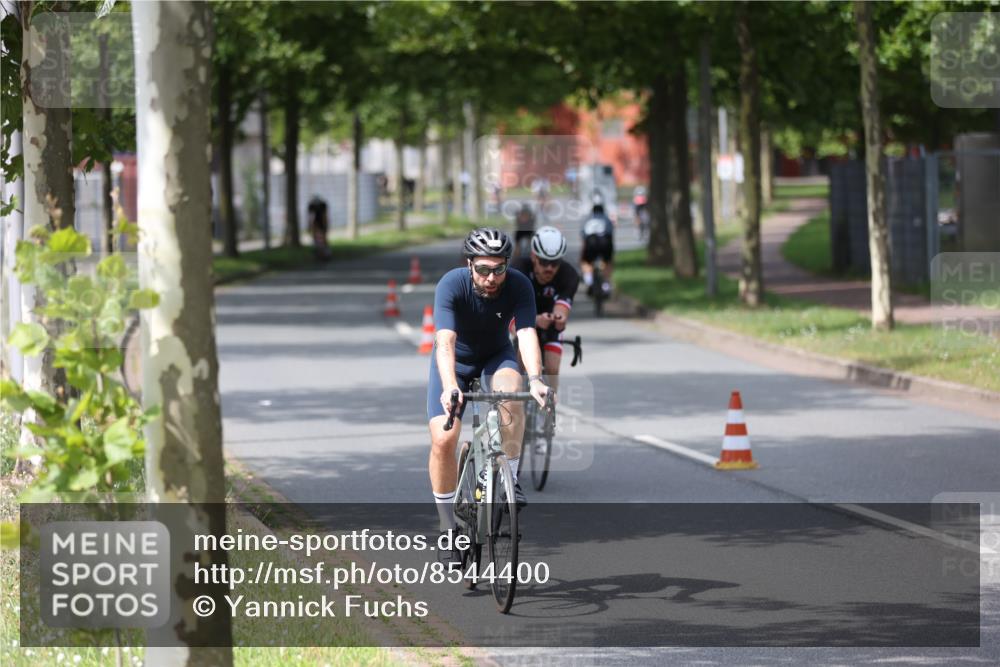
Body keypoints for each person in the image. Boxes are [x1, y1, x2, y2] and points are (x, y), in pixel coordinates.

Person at [427, 228, 551, 563]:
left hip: (497, 355)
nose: (491, 278)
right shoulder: (452, 284)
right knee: (444, 437)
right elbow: (445, 341)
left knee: (513, 395)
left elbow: (525, 332)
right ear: (469, 265)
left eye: (499, 269)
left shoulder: (519, 285)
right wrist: (451, 385)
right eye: (483, 270)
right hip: (456, 362)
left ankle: (509, 480)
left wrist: (537, 379)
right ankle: (447, 528)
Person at [512, 226, 579, 393]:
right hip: (522, 320)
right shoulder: (518, 269)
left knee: (553, 367)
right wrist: (534, 320)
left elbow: (562, 310)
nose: (549, 268)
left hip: (549, 323)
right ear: (534, 257)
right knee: (520, 363)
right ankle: (517, 402)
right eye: (544, 262)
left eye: (555, 263)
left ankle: (551, 409)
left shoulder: (569, 274)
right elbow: (510, 315)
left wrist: (558, 318)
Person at [580, 194, 615, 296]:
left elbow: (583, 238)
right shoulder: (607, 219)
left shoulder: (587, 219)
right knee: (608, 262)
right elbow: (611, 235)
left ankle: (589, 281)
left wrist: (582, 255)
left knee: (585, 262)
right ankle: (606, 285)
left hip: (591, 243)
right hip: (605, 243)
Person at [307, 194, 331, 261]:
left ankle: (324, 253)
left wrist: (310, 226)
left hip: (319, 223)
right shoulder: (315, 206)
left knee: (321, 238)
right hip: (317, 223)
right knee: (319, 238)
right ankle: (321, 253)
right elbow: (311, 217)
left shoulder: (321, 205)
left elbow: (323, 216)